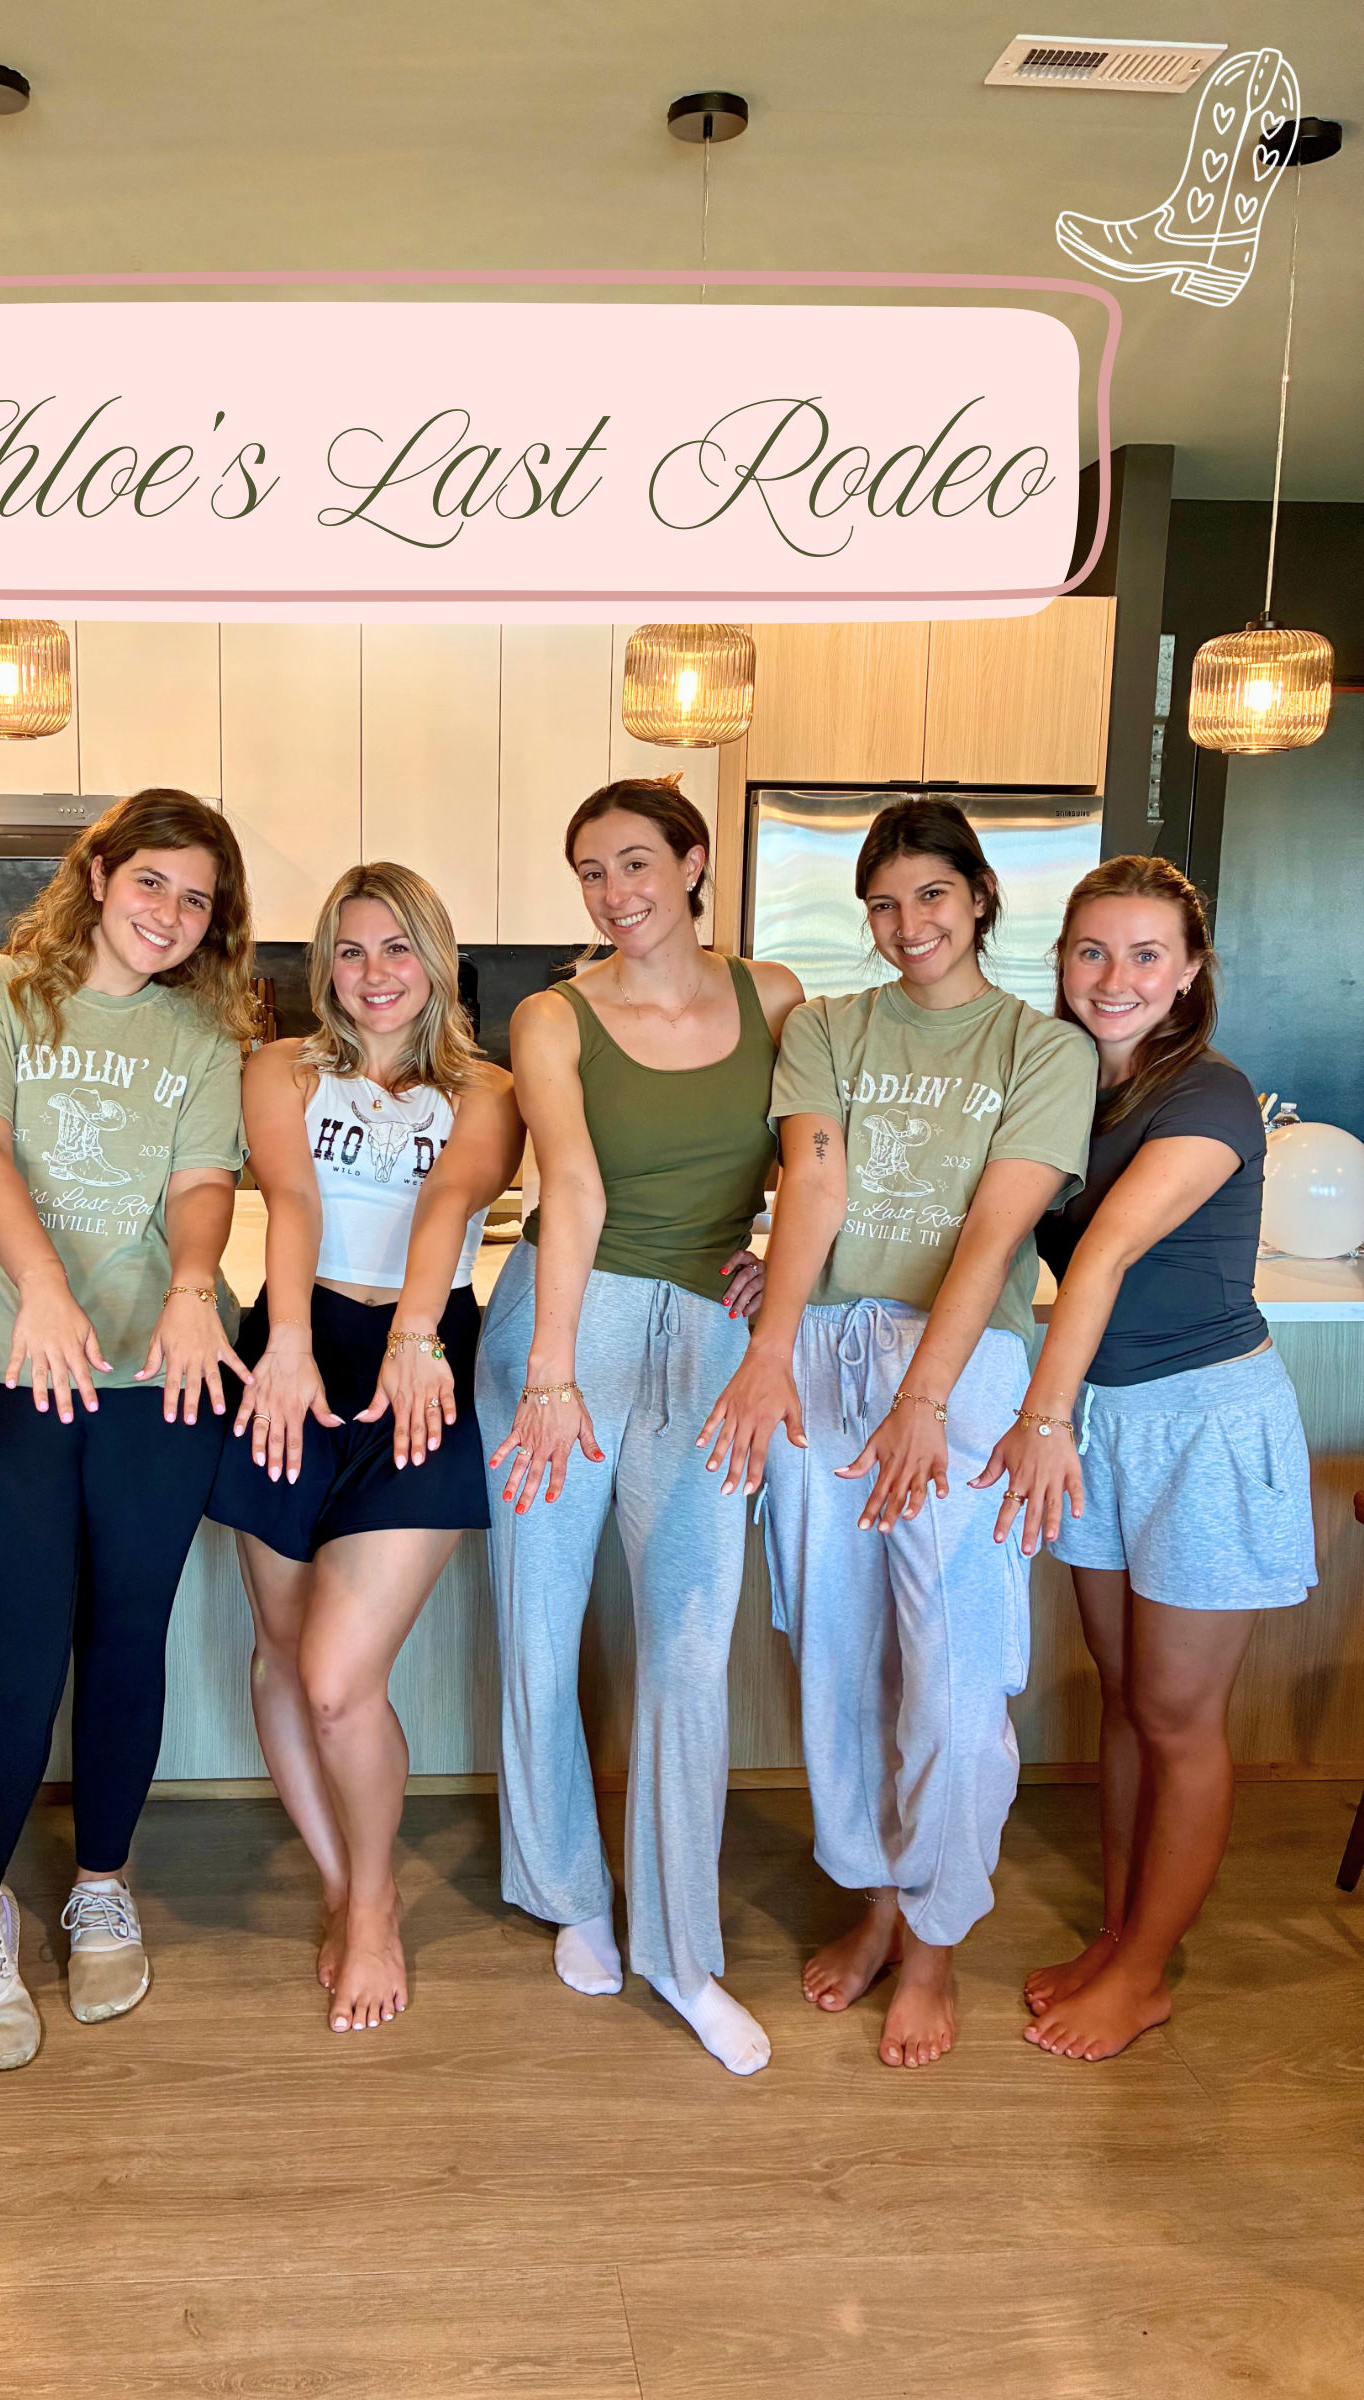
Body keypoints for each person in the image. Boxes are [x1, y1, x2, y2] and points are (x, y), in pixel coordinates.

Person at [701, 797, 1097, 2069]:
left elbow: (994, 1232)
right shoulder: (825, 1028)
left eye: (931, 895)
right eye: (884, 903)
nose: (907, 924)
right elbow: (814, 1182)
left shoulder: (1043, 1050)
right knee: (840, 1651)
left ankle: (935, 1943)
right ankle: (875, 1903)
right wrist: (779, 1329)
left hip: (963, 1369)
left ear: (979, 898)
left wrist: (925, 1395)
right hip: (827, 1350)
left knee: (954, 1668)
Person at [478, 775, 803, 2077]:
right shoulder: (554, 1014)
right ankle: (569, 1892)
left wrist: (787, 1269)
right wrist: (552, 1369)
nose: (616, 895)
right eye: (593, 874)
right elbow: (571, 1181)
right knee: (541, 1625)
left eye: (634, 864)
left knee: (687, 1642)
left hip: (712, 1334)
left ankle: (681, 1951)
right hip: (570, 1321)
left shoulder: (775, 999)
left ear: (693, 860)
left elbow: (817, 1159)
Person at [0, 789, 254, 2071]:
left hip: (156, 1383)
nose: (171, 916)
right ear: (100, 871)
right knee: (10, 1659)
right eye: (154, 883)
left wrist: (187, 1292)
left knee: (126, 1638)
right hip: (5, 1366)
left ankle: (101, 1882)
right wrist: (43, 1286)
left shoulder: (205, 1029)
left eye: (198, 899)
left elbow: (201, 1182)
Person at [974, 854, 1315, 2061]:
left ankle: (1150, 1973)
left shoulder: (1210, 1093)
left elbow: (1106, 1255)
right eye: (1092, 952)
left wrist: (1040, 1420)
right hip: (1104, 1420)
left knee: (1178, 1715)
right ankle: (1124, 1939)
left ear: (1190, 973)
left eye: (1146, 955)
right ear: (1061, 960)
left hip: (1200, 1425)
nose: (1115, 978)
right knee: (1125, 1700)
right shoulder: (1068, 1086)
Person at [209, 862, 521, 2033]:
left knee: (342, 1681)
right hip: (298, 1344)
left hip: (422, 1362)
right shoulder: (278, 1069)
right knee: (282, 1657)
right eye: (351, 950)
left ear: (436, 960)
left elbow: (451, 1202)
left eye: (398, 948)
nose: (375, 973)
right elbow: (288, 1196)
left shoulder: (487, 1089)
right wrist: (285, 1343)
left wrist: (420, 1335)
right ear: (322, 967)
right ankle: (341, 1889)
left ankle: (378, 1903)